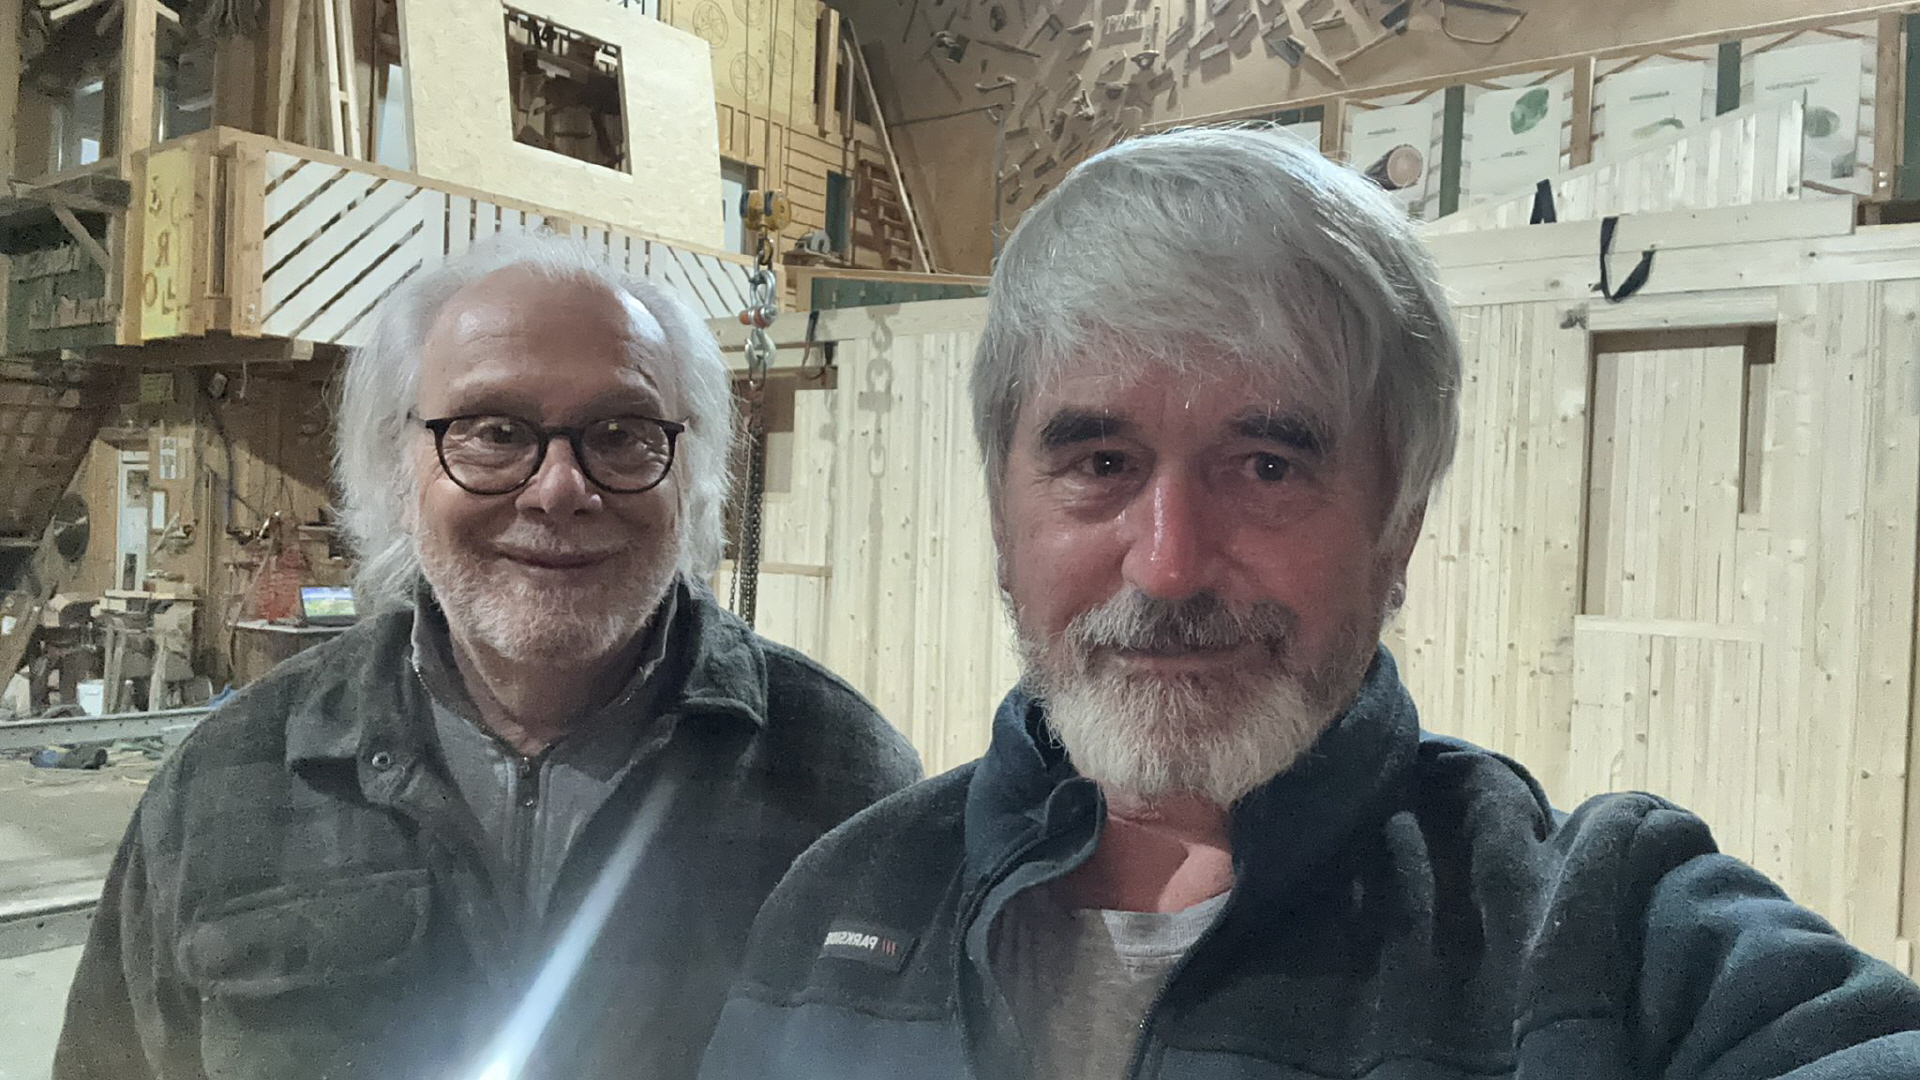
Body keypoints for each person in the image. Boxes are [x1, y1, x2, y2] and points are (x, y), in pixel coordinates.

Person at [696, 127, 1920, 1079]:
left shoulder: (1603, 935)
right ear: (1004, 516)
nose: (1168, 566)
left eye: (1268, 467)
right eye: (1101, 463)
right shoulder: (845, 901)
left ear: (1400, 528)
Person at [54, 239, 921, 1080]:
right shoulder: (223, 784)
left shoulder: (848, 787)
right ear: (398, 474)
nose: (559, 489)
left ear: (689, 474)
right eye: (495, 431)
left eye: (622, 433)